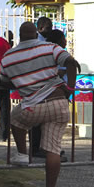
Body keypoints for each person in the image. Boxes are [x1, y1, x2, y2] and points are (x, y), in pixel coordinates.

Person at [0, 22, 77, 187]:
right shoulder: (50, 47)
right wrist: (70, 88)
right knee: (53, 149)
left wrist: (23, 81)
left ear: (20, 36)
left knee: (15, 118)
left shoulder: (8, 57)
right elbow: (70, 62)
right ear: (36, 34)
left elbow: (5, 81)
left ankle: (22, 154)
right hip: (58, 103)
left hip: (33, 106)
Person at [29, 16, 54, 157]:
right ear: (40, 28)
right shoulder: (38, 42)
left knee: (43, 119)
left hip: (43, 84)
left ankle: (42, 147)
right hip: (38, 84)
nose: (50, 31)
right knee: (37, 120)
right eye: (48, 28)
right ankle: (35, 148)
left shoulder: (45, 41)